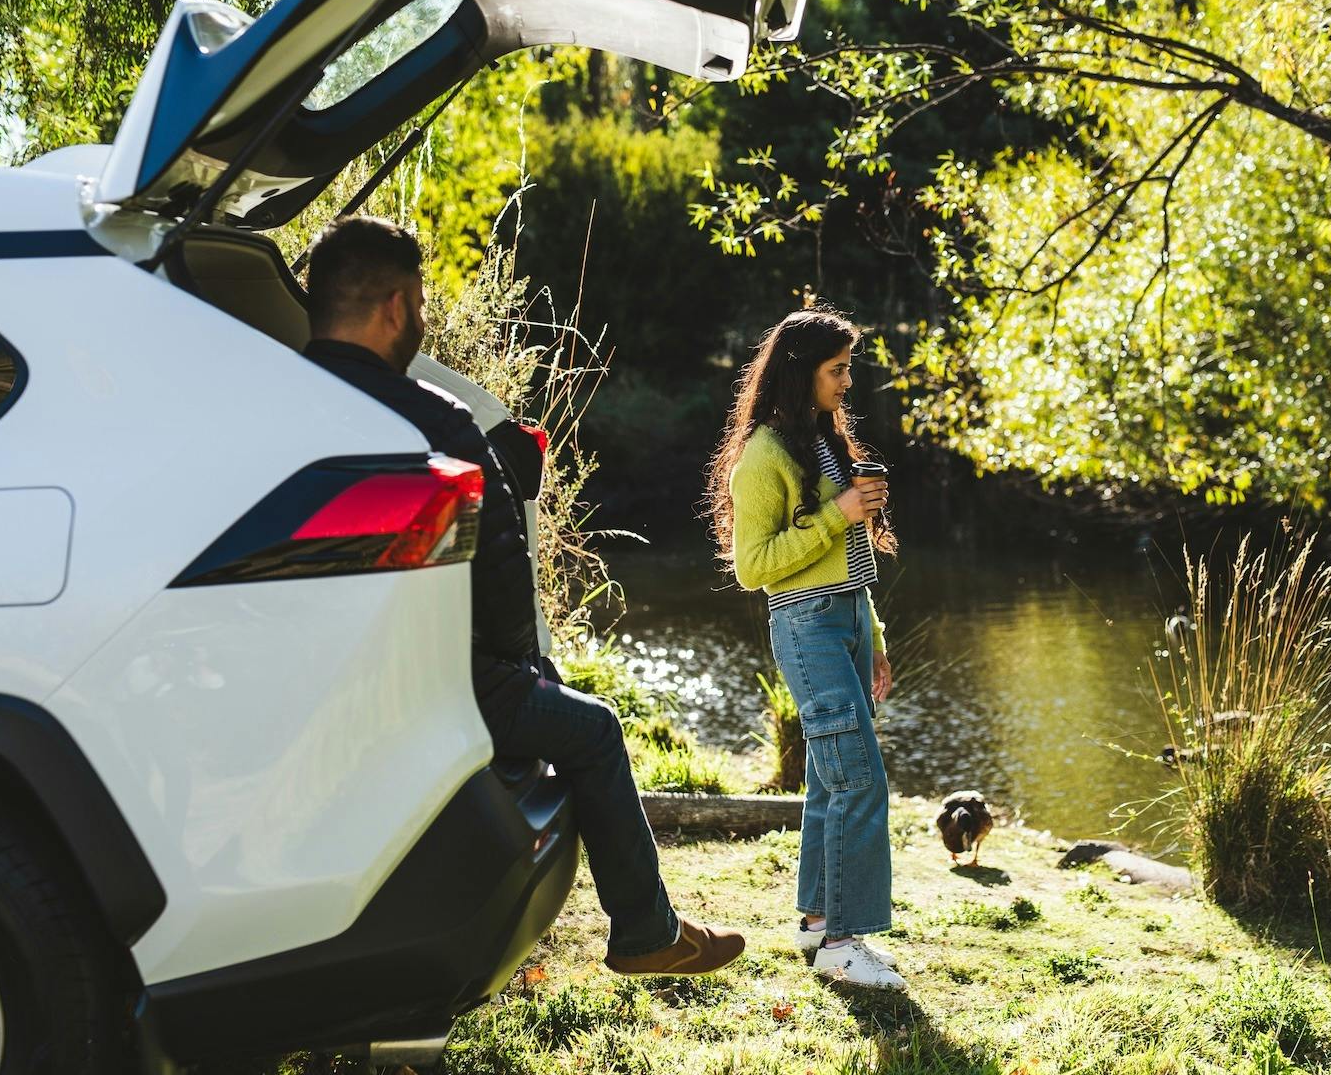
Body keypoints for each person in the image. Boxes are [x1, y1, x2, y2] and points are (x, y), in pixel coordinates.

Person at [300, 215, 743, 976]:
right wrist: (520, 666)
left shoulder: (275, 404)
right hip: (441, 682)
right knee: (595, 729)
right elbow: (501, 565)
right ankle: (644, 931)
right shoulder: (430, 420)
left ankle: (652, 919)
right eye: (422, 301)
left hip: (323, 675)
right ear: (399, 307)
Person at [705, 307, 904, 990]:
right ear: (801, 371)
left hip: (846, 618)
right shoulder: (764, 455)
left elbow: (844, 555)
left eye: (847, 367)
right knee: (858, 776)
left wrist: (873, 634)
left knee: (829, 776)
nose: (847, 382)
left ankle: (820, 925)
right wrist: (836, 514)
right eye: (837, 369)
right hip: (805, 625)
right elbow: (753, 567)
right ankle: (845, 945)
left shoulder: (823, 440)